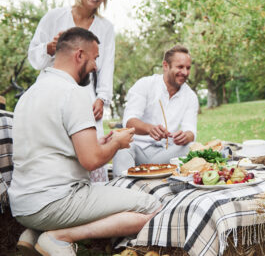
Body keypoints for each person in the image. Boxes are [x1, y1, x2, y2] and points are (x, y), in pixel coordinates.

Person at [9, 27, 161, 256]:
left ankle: (33, 233)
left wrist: (100, 141)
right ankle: (59, 237)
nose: (96, 66)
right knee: (154, 207)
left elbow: (53, 144)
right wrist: (117, 143)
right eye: (94, 58)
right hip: (55, 201)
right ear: (79, 55)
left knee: (109, 192)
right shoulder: (73, 92)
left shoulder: (30, 94)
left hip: (22, 205)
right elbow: (91, 161)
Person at [28, 0, 115, 182]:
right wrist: (50, 47)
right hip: (52, 93)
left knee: (88, 148)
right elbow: (34, 56)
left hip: (86, 95)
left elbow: (106, 66)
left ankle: (93, 197)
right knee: (57, 144)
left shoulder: (106, 28)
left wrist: (101, 99)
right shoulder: (54, 17)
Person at [112, 45, 199, 176]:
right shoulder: (145, 84)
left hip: (166, 153)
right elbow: (129, 122)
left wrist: (185, 136)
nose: (185, 72)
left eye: (188, 68)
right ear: (165, 66)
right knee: (121, 147)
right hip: (137, 150)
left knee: (194, 148)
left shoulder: (191, 96)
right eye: (180, 67)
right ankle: (124, 189)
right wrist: (149, 129)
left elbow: (191, 131)